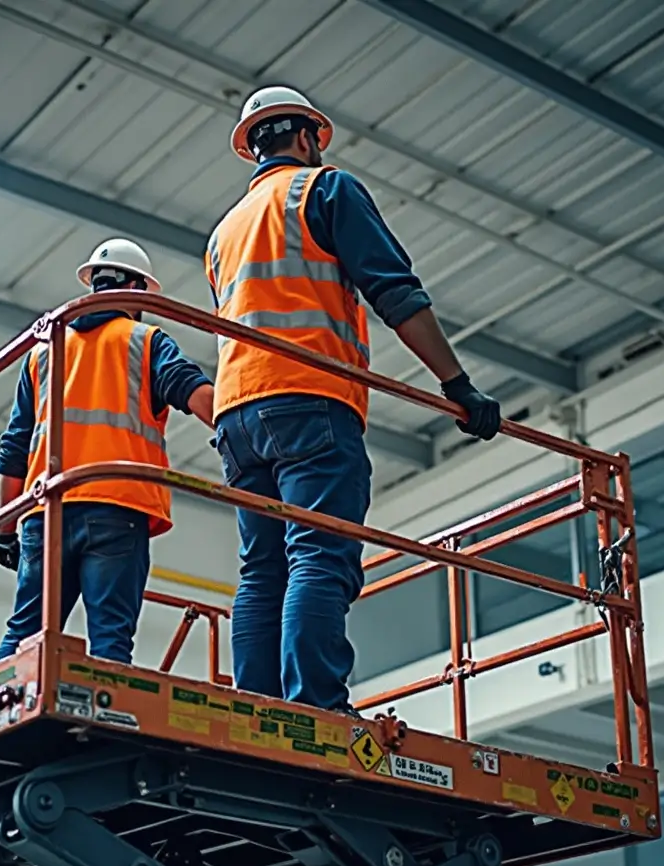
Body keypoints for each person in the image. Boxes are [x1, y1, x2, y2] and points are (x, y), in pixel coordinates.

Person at [205, 86, 505, 712]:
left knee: (263, 570)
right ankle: (315, 706)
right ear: (308, 137)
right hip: (309, 397)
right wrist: (458, 387)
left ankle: (257, 707)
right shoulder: (325, 190)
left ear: (252, 147)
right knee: (319, 551)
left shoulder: (224, 231)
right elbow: (395, 293)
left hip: (235, 414)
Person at [0, 239, 214, 664]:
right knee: (110, 638)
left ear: (94, 283)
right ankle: (105, 725)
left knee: (24, 633)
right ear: (136, 290)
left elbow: (14, 450)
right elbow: (195, 392)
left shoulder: (44, 352)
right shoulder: (144, 340)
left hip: (47, 511)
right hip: (117, 509)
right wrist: (237, 430)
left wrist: (5, 531)